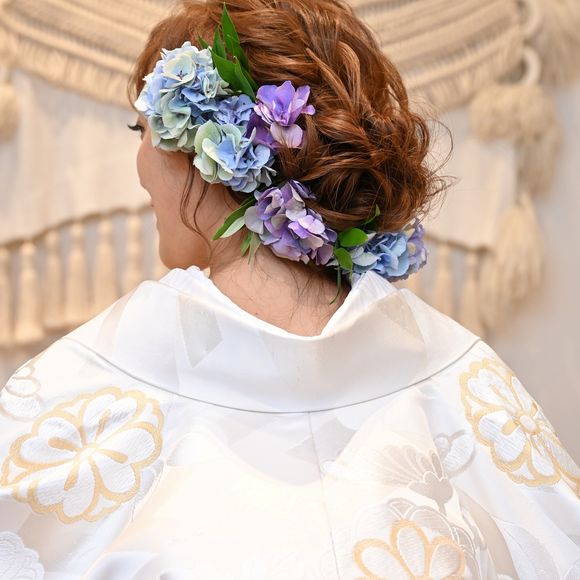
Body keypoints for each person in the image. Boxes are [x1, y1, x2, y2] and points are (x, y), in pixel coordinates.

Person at [1, 0, 579, 577]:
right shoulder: (463, 380)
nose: (141, 162)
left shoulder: (85, 387)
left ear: (203, 149)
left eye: (144, 128)